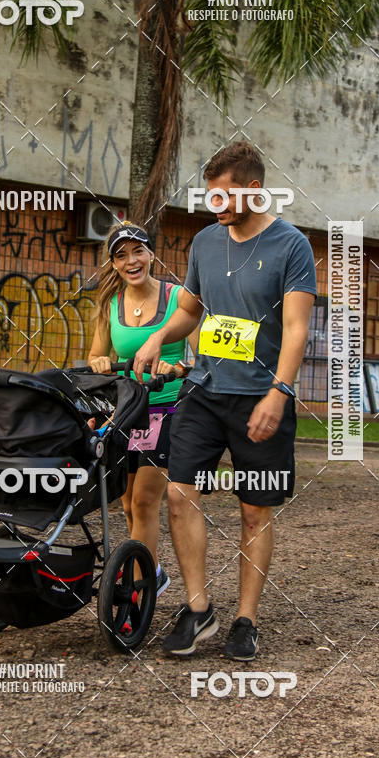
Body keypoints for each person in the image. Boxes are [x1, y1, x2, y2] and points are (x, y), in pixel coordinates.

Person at [133, 141, 316, 658]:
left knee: (255, 510)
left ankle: (245, 620)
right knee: (178, 494)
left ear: (254, 190)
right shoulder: (205, 243)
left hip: (261, 397)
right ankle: (198, 610)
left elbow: (297, 329)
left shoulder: (292, 246)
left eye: (223, 196)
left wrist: (280, 392)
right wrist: (158, 337)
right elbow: (190, 310)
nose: (214, 205)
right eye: (210, 196)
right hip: (205, 391)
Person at [88, 221, 198, 598]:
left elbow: (202, 357)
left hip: (165, 409)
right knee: (127, 502)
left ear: (151, 253)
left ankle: (138, 589)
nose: (131, 261)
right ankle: (154, 571)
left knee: (144, 500)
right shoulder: (109, 303)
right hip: (125, 410)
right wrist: (99, 362)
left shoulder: (178, 297)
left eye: (138, 251)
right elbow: (96, 354)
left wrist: (176, 366)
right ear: (113, 264)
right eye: (121, 256)